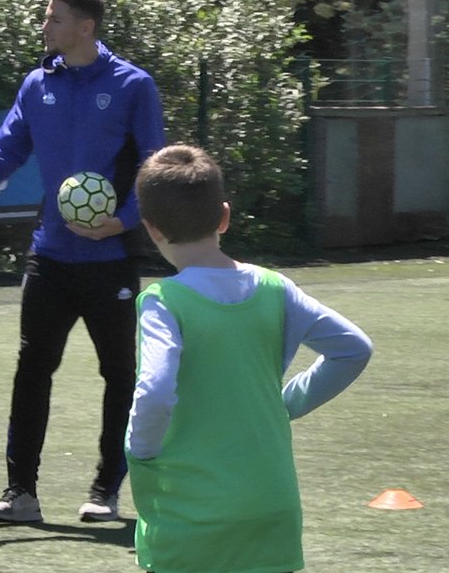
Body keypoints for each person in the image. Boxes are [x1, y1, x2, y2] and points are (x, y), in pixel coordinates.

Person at [0, 0, 166, 523]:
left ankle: (106, 490)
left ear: (85, 27)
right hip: (49, 256)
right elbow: (4, 156)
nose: (45, 27)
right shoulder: (36, 84)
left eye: (54, 19)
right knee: (32, 371)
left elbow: (155, 169)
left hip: (111, 260)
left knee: (119, 374)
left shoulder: (133, 86)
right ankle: (20, 493)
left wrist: (120, 223)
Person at [126, 144, 374, 573]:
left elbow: (155, 390)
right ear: (224, 216)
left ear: (151, 229)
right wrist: (283, 404)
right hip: (271, 506)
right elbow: (353, 349)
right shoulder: (277, 289)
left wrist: (140, 450)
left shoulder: (163, 301)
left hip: (191, 514)